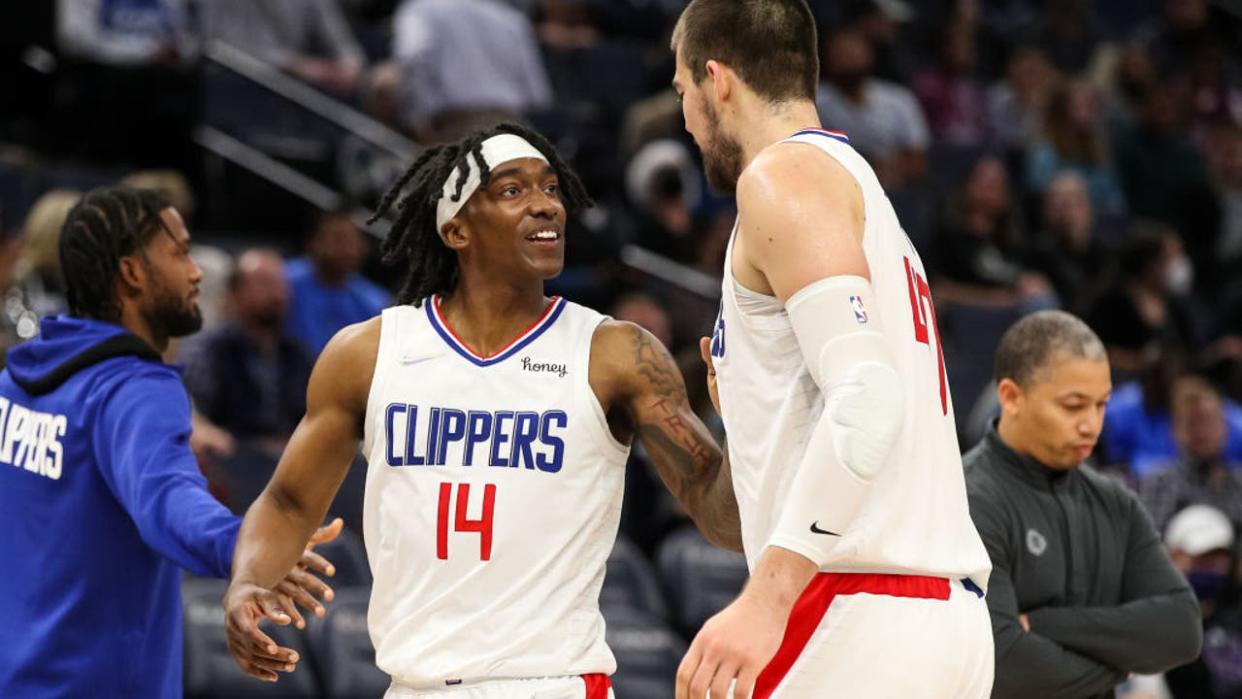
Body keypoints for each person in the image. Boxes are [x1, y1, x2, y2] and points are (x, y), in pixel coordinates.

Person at [223, 124, 740, 695]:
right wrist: (247, 582)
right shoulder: (369, 354)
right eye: (513, 191)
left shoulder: (615, 353)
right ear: (456, 228)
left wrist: (746, 424)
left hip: (552, 683)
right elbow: (289, 500)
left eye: (550, 188)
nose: (545, 205)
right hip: (413, 685)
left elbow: (725, 521)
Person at [668, 2, 993, 697]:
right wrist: (753, 408)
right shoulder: (859, 192)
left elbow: (869, 397)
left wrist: (767, 598)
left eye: (682, 92)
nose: (687, 119)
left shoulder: (783, 178)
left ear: (717, 80)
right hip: (934, 614)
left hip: (853, 608)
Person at [0, 187, 338, 698]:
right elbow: (169, 500)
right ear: (133, 272)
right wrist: (250, 548)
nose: (197, 271)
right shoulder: (135, 389)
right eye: (180, 252)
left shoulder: (13, 386)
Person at [964, 310, 1202, 698]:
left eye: (1101, 405)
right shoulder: (968, 499)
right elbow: (1001, 662)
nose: (1092, 424)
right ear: (1010, 397)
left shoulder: (1115, 501)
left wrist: (1045, 623)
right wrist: (1116, 669)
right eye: (1073, 406)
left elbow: (1182, 629)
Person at [182, 248, 313, 450]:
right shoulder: (211, 350)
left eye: (281, 284)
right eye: (264, 283)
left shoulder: (298, 354)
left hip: (290, 462)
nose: (277, 294)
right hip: (230, 461)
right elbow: (195, 414)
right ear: (234, 293)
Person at [1139, 376, 1242, 533]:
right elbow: (1150, 546)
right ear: (1175, 431)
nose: (1202, 432)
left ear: (1225, 427)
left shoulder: (1238, 481)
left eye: (1209, 421)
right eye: (1192, 423)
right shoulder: (1160, 483)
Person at [284, 209, 390, 357]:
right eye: (338, 239)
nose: (347, 249)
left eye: (354, 240)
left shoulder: (373, 301)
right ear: (313, 242)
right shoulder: (283, 284)